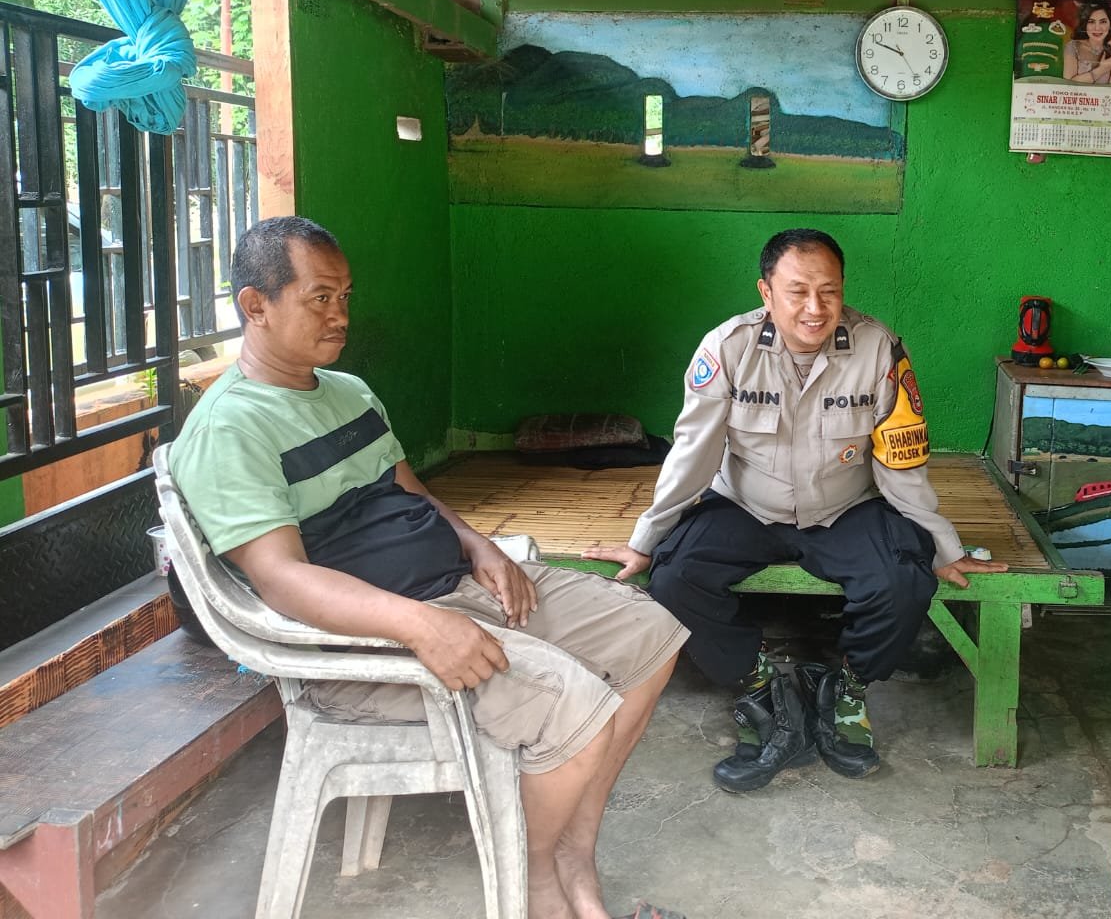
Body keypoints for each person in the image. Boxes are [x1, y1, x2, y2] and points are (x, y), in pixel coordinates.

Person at [169, 217, 689, 919]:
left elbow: (411, 493)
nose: (341, 315)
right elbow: (282, 578)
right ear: (255, 305)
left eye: (345, 296)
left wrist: (478, 544)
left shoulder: (349, 392)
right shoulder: (230, 429)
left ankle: (574, 849)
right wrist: (420, 625)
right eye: (320, 298)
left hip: (452, 585)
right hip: (370, 642)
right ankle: (535, 881)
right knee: (575, 704)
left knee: (649, 635)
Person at [584, 229, 1006, 793]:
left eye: (829, 291)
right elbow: (693, 453)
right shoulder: (727, 348)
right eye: (798, 291)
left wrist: (943, 546)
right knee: (675, 577)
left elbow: (901, 459)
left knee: (904, 581)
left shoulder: (878, 348)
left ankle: (844, 690)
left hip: (845, 506)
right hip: (746, 505)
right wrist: (646, 539)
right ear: (766, 292)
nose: (815, 308)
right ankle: (762, 689)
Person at [1064, 3, 1111, 86]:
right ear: (1085, 25)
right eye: (1091, 22)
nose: (1097, 28)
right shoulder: (1073, 46)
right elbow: (1068, 85)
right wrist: (1101, 70)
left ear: (1110, 25)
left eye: (1103, 22)